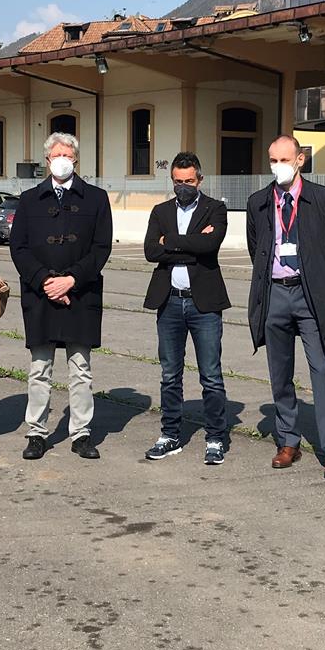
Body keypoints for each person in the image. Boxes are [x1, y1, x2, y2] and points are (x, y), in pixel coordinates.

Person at [246, 136, 325, 480]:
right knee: (279, 371)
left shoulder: (323, 199)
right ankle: (288, 440)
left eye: (284, 160)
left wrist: (319, 281)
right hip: (275, 293)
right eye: (272, 160)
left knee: (322, 368)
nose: (278, 166)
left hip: (309, 295)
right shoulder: (259, 202)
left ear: (300, 160)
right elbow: (256, 248)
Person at [10, 132, 112, 460]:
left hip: (80, 295)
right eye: (57, 155)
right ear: (47, 160)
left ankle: (81, 433)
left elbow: (101, 248)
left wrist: (71, 280)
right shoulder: (29, 200)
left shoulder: (96, 198)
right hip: (41, 296)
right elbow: (19, 248)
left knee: (80, 368)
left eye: (68, 155)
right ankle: (36, 432)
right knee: (39, 368)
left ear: (76, 159)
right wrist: (45, 281)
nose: (62, 160)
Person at [142, 151, 231, 465]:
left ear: (200, 180)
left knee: (211, 375)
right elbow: (150, 251)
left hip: (203, 304)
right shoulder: (161, 211)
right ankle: (169, 435)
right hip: (169, 301)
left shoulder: (215, 209)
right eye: (178, 181)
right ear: (172, 180)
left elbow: (210, 246)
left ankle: (216, 438)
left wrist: (170, 241)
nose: (183, 187)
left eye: (189, 181)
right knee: (170, 374)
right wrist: (192, 242)